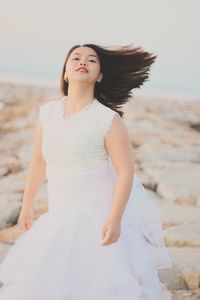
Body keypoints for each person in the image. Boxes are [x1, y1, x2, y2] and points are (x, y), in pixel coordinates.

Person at [0, 43, 172, 299]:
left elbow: (125, 171)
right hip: (56, 219)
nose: (83, 61)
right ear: (66, 72)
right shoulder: (47, 114)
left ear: (99, 75)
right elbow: (38, 160)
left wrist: (114, 220)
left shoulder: (107, 120)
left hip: (96, 224)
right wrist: (27, 204)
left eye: (92, 60)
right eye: (76, 58)